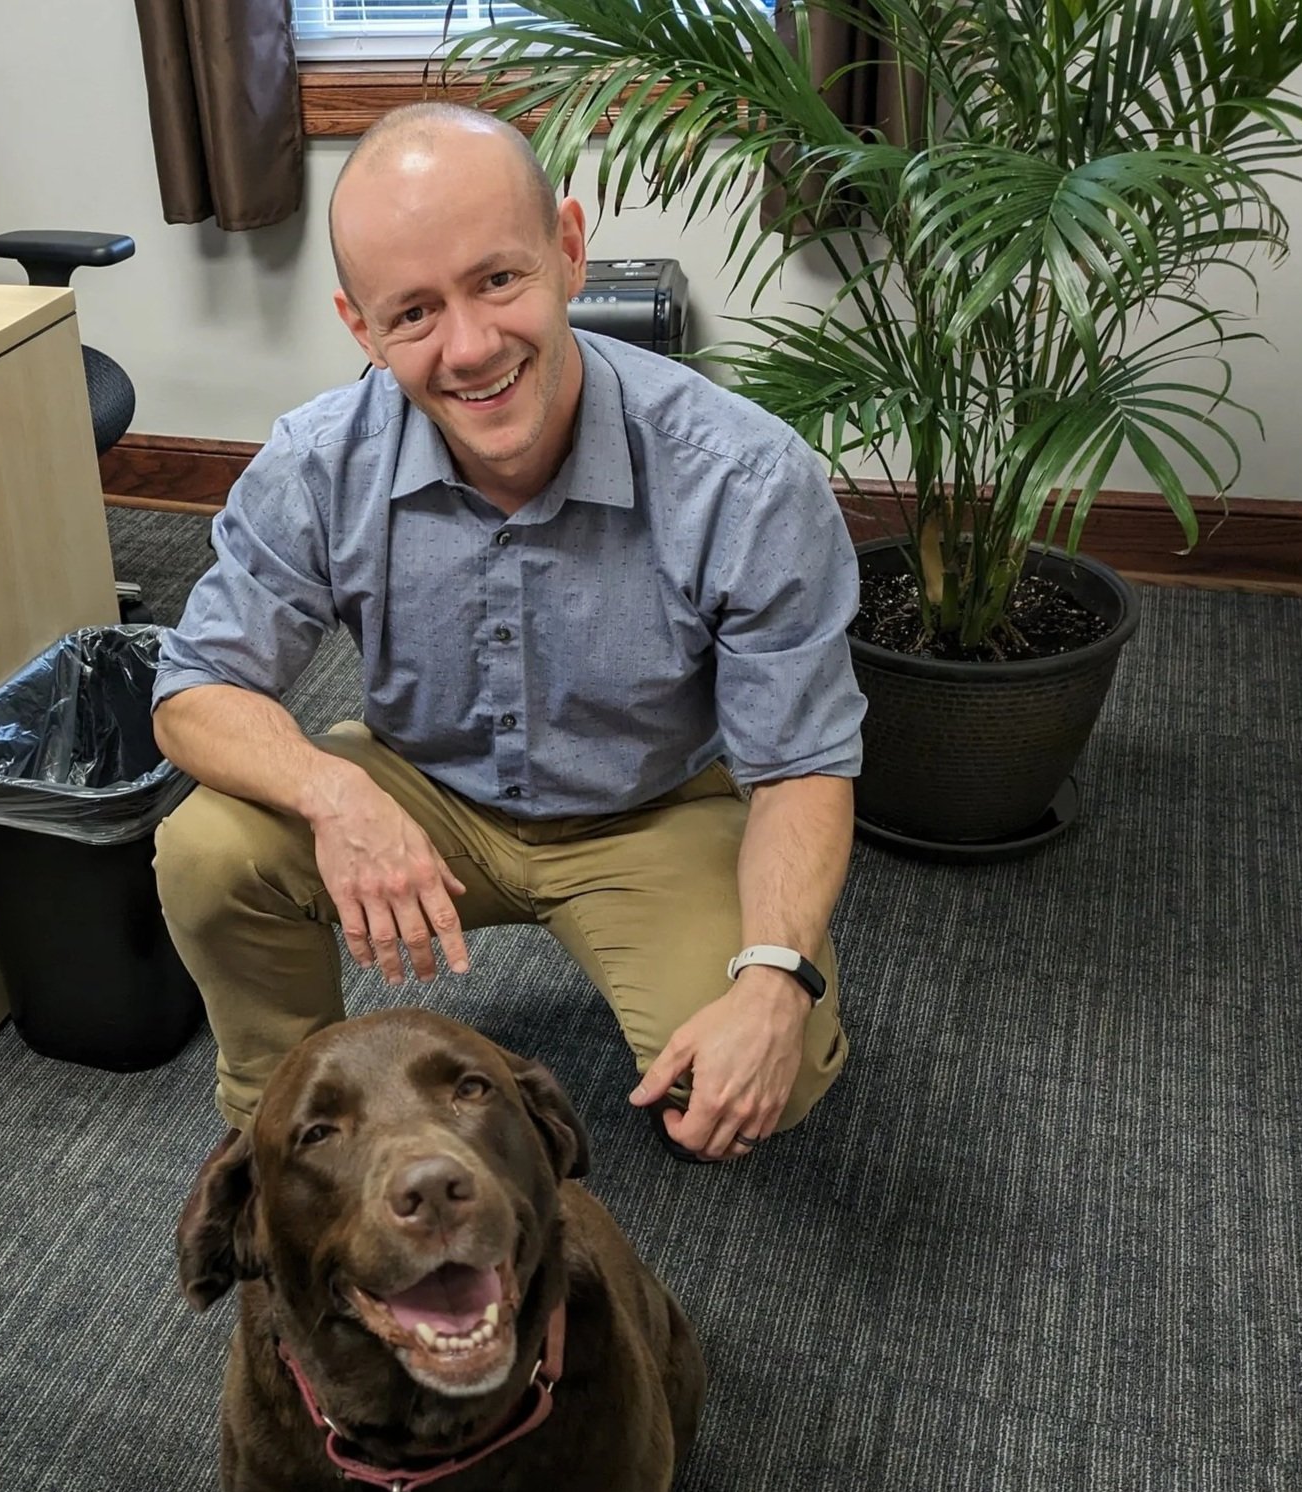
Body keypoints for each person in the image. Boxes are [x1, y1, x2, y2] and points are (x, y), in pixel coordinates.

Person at [149, 102, 865, 1164]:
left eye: (497, 280)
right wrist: (336, 793)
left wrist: (772, 979)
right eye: (414, 313)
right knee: (206, 849)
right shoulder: (317, 462)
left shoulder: (745, 479)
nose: (470, 347)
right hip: (420, 789)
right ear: (361, 327)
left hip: (647, 808)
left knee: (776, 1065)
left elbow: (802, 760)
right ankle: (279, 1122)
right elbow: (191, 684)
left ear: (569, 251)